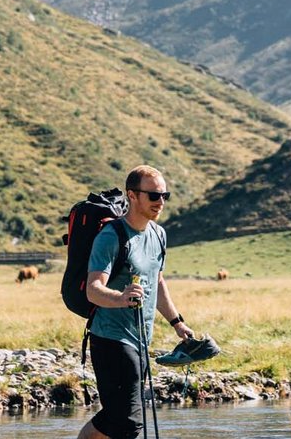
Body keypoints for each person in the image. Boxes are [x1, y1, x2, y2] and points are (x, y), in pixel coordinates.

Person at [78, 166, 196, 439]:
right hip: (111, 340)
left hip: (142, 339)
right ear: (132, 195)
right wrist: (121, 298)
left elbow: (157, 281)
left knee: (116, 417)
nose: (161, 202)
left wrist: (177, 323)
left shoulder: (158, 234)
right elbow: (93, 290)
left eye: (165, 195)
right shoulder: (111, 236)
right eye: (154, 195)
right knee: (131, 422)